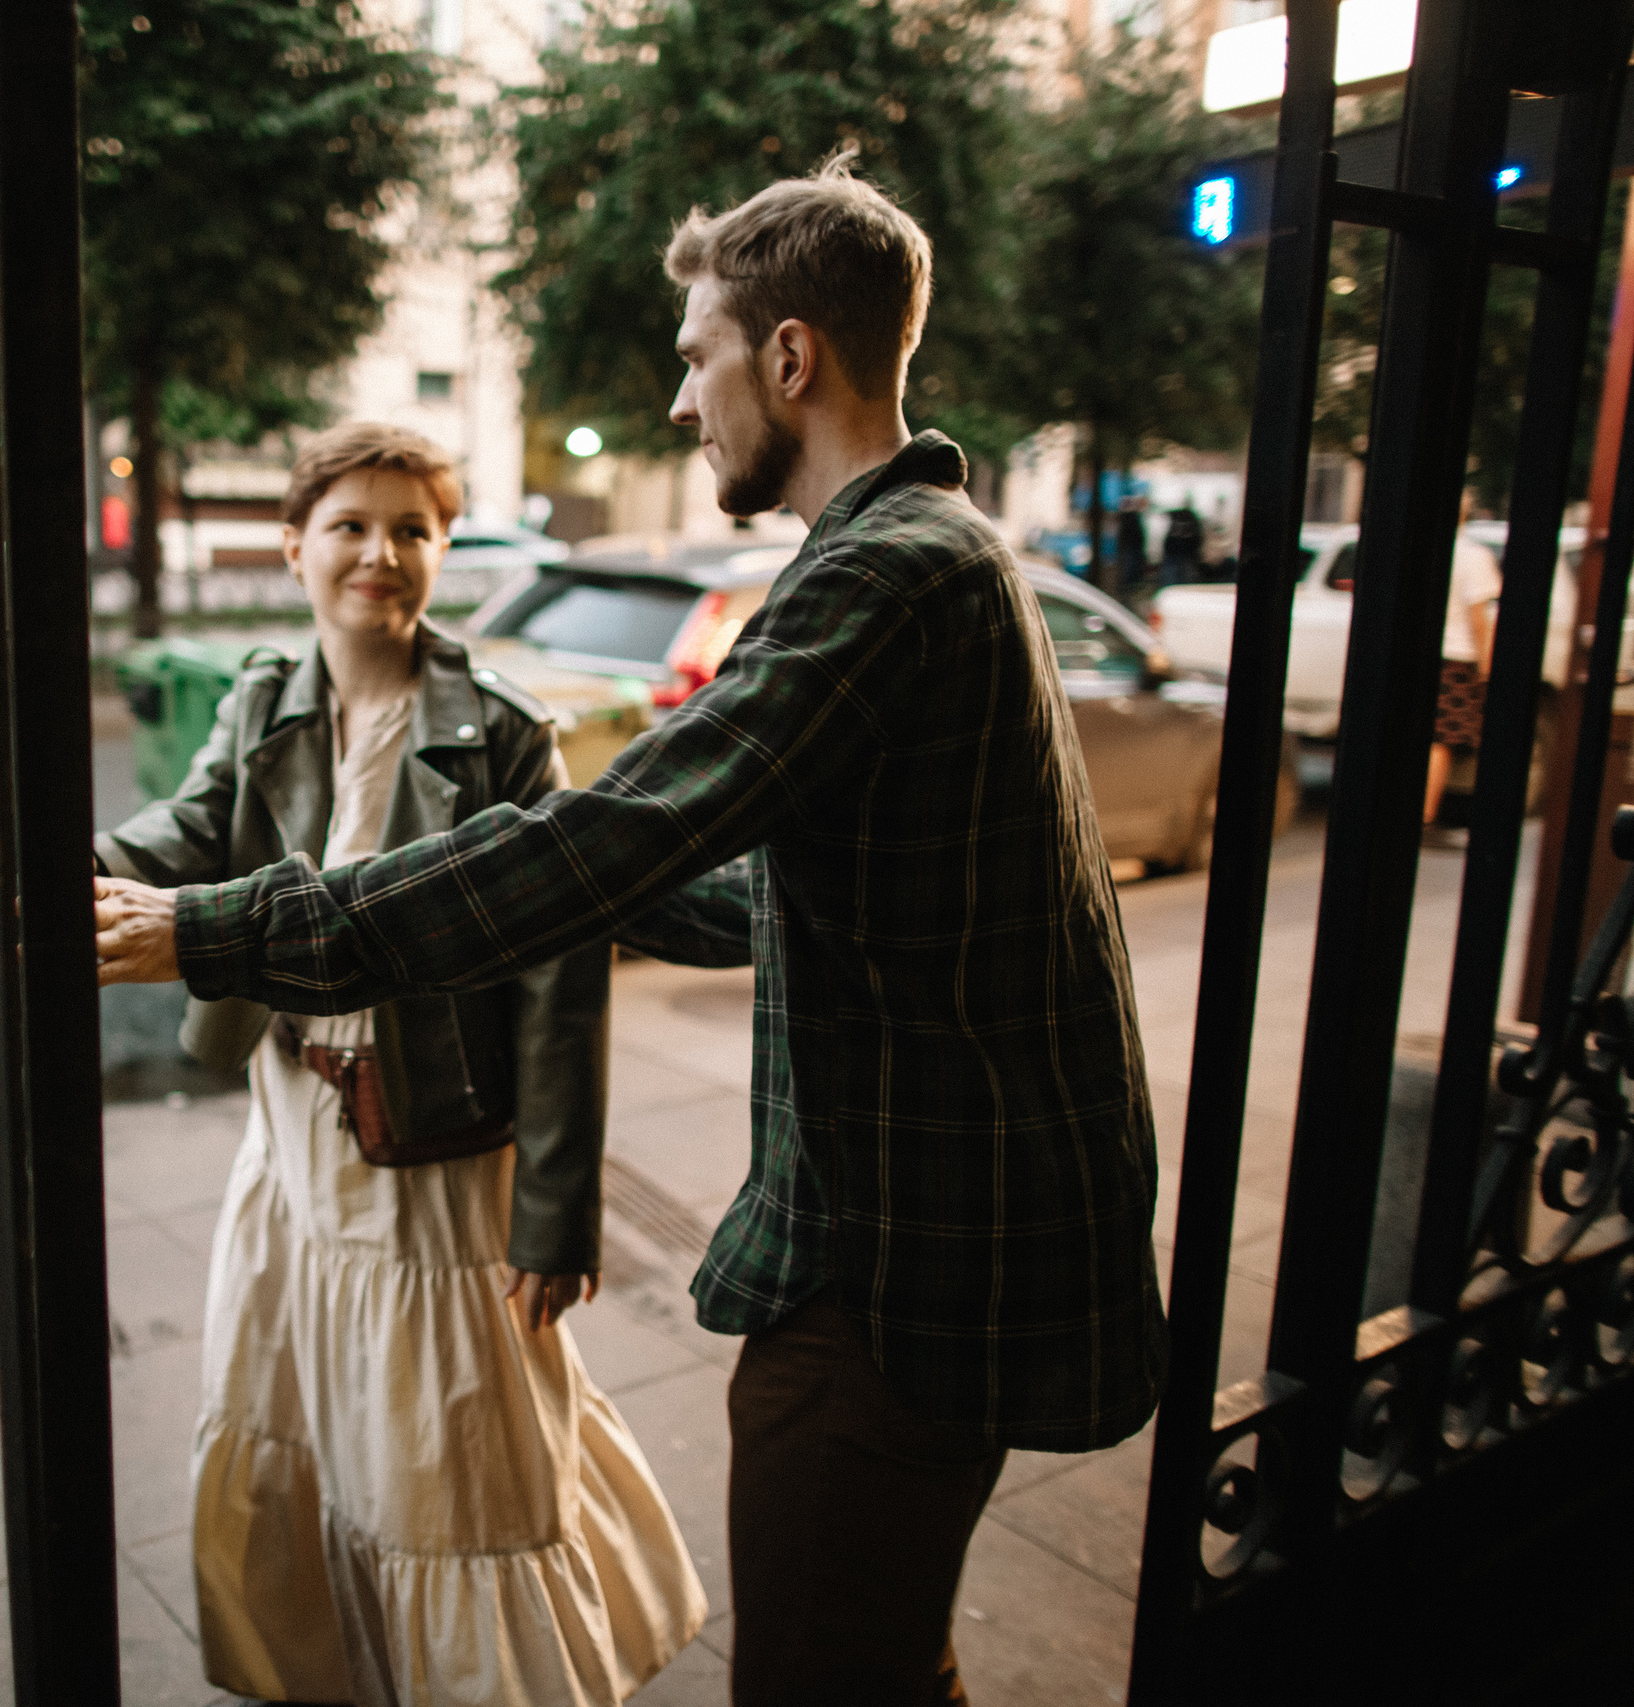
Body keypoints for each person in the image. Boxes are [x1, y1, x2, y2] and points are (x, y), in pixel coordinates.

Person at [94, 158, 1167, 1706]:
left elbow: (610, 844)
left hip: (907, 1266)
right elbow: (746, 893)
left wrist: (232, 930)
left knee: (818, 1673)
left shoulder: (882, 574)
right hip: (934, 1232)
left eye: (697, 355)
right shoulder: (931, 553)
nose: (683, 404)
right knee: (881, 1648)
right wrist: (477, 857)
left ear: (789, 356)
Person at [95, 422, 705, 1707]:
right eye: (352, 526)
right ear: (294, 545)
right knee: (313, 1429)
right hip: (291, 1144)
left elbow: (557, 989)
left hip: (433, 1156)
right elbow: (190, 829)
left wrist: (555, 1212)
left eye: (413, 529)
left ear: (445, 550)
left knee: (452, 1458)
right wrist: (81, 857)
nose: (382, 553)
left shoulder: (497, 733)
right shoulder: (265, 699)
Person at [1426, 493, 1502, 838]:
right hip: (1456, 654)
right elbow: (1479, 617)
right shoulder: (1474, 557)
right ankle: (1425, 816)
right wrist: (1486, 665)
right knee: (1440, 739)